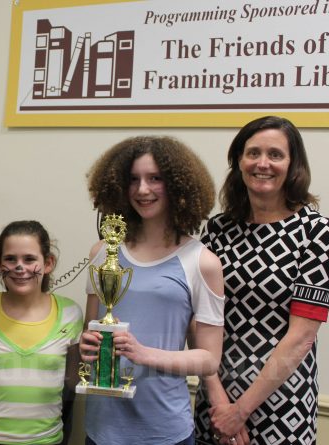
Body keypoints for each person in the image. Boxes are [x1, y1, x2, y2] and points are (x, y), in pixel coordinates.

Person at [193, 116, 329, 445]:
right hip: (215, 399)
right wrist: (219, 400)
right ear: (239, 161)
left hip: (283, 404)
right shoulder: (217, 230)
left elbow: (302, 336)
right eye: (253, 153)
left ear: (293, 164)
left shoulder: (316, 232)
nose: (263, 164)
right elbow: (197, 317)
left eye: (275, 154)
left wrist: (240, 411)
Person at [79, 136, 225, 445]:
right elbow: (90, 331)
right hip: (101, 428)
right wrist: (87, 345)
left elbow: (209, 360)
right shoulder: (102, 252)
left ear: (178, 185)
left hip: (164, 430)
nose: (142, 189)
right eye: (133, 179)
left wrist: (143, 354)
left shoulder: (202, 262)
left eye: (155, 178)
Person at [0, 221, 83, 445]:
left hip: (46, 440)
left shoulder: (70, 313)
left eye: (29, 259)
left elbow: (73, 382)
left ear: (48, 263)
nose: (19, 267)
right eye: (10, 259)